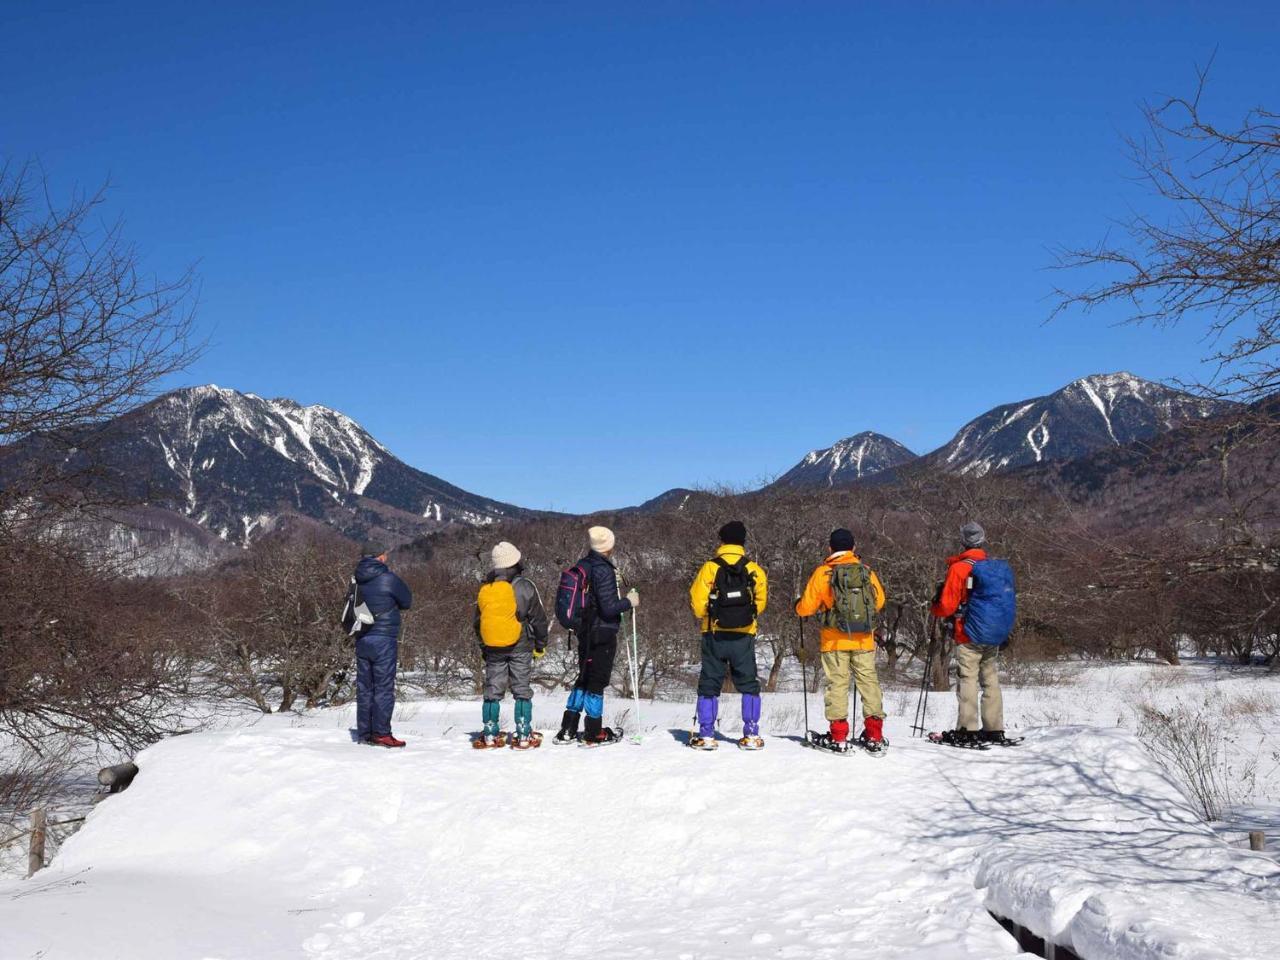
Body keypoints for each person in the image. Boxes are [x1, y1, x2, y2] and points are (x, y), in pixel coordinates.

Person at [795, 528, 888, 754]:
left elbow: (806, 607)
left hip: (834, 641)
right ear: (854, 547)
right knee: (868, 683)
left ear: (830, 548)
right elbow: (879, 601)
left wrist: (798, 606)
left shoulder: (823, 573)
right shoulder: (866, 571)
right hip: (864, 640)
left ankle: (838, 736)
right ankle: (874, 734)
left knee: (837, 684)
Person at [552, 526, 639, 747]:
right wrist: (629, 602)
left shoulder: (583, 565)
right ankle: (593, 731)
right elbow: (609, 608)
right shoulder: (603, 569)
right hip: (603, 632)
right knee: (597, 682)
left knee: (583, 677)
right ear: (608, 545)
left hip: (585, 631)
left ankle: (568, 729)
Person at [930, 521, 1014, 746]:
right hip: (993, 633)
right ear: (983, 539)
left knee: (967, 678)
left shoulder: (959, 568)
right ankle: (994, 729)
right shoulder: (992, 567)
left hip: (967, 633)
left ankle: (967, 729)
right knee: (990, 679)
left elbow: (947, 606)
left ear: (963, 541)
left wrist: (934, 608)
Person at [687, 520, 768, 750]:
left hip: (715, 633)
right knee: (749, 682)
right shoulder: (754, 569)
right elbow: (761, 602)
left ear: (721, 541)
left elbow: (697, 601)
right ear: (743, 541)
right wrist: (745, 618)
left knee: (710, 682)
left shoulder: (710, 568)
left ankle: (706, 734)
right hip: (744, 635)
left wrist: (710, 617)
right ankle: (751, 734)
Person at [474, 541, 550, 749]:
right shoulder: (525, 586)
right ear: (516, 561)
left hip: (493, 648)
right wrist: (540, 645)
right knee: (521, 690)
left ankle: (490, 733)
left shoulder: (487, 588)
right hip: (521, 645)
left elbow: (478, 622)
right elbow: (539, 620)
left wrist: (484, 647)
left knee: (492, 690)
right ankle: (524, 733)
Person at [353, 542, 412, 747]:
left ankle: (365, 733)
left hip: (362, 636)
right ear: (380, 557)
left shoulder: (356, 579)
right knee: (384, 687)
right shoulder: (388, 578)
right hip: (384, 637)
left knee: (364, 687)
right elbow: (407, 601)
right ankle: (382, 733)